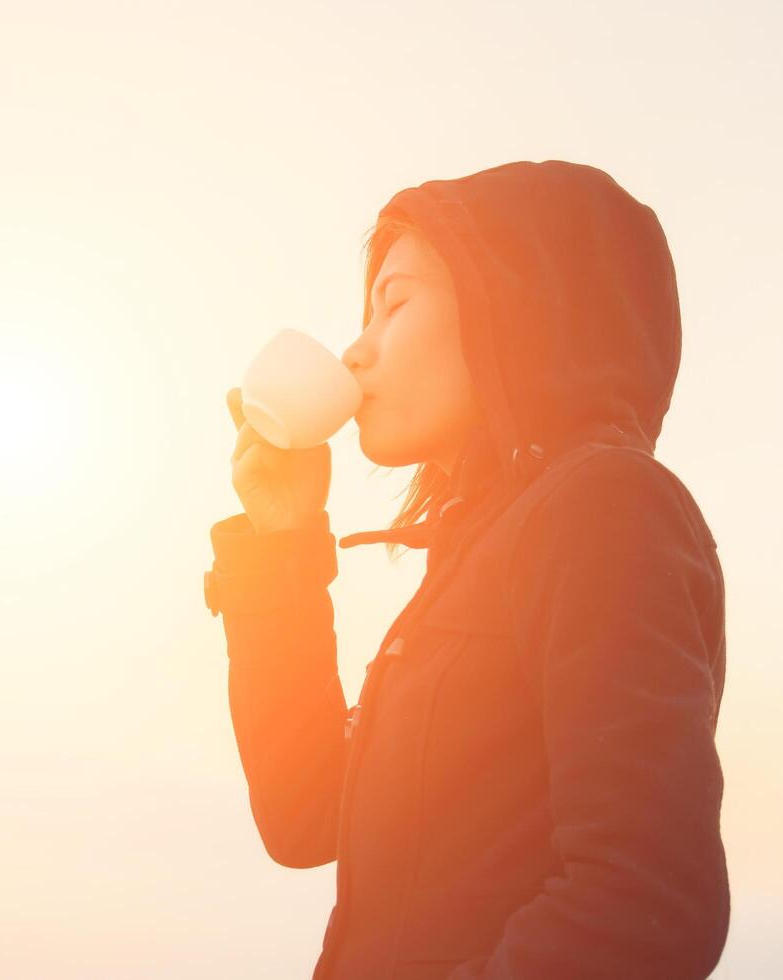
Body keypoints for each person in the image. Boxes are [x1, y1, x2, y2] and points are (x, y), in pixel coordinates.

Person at [204, 160, 729, 980]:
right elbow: (304, 812)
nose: (355, 349)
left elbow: (644, 902)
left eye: (397, 303)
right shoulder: (480, 550)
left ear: (515, 306)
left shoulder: (603, 508)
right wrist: (282, 540)